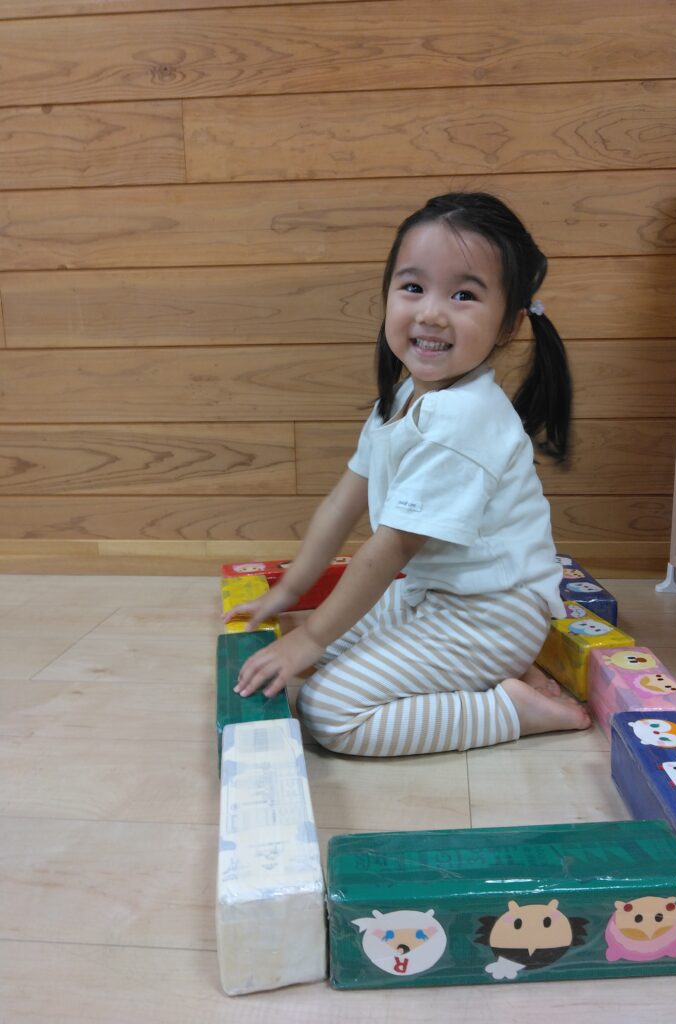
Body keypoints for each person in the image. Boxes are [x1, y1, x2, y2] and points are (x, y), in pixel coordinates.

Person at [225, 192, 591, 756]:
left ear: (509, 325)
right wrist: (292, 592)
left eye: (464, 295)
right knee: (315, 649)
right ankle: (494, 675)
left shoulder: (462, 418)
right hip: (434, 598)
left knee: (327, 709)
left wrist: (314, 634)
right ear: (387, 295)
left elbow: (392, 544)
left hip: (491, 616)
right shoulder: (401, 398)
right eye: (414, 287)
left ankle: (510, 710)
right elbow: (343, 502)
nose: (431, 313)